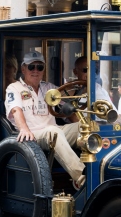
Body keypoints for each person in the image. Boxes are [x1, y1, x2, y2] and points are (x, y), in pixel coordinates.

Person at [5, 51, 86, 190]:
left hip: (54, 131)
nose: (36, 71)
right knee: (53, 132)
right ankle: (82, 177)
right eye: (32, 67)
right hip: (33, 135)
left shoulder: (48, 87)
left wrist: (83, 86)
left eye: (40, 67)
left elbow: (66, 98)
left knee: (86, 127)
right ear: (23, 69)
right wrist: (24, 129)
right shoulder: (14, 88)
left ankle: (100, 170)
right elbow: (15, 110)